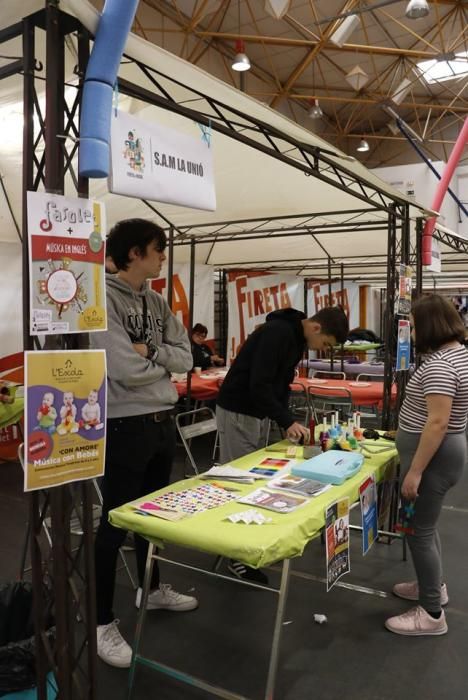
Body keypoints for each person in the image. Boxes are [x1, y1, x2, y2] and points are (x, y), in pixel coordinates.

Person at [90, 219, 196, 668]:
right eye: (157, 249)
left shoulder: (155, 300)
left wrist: (150, 352)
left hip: (160, 422)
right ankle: (101, 623)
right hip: (124, 424)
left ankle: (151, 590)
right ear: (135, 253)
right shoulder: (101, 300)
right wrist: (162, 367)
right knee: (114, 523)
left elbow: (187, 357)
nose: (163, 256)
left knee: (153, 518)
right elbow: (120, 370)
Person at [216, 306, 349, 582]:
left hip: (256, 412)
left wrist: (283, 421)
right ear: (315, 328)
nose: (321, 349)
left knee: (255, 478)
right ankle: (235, 555)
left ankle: (244, 545)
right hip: (240, 410)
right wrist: (286, 421)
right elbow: (260, 384)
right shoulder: (277, 333)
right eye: (324, 343)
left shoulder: (295, 340)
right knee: (240, 481)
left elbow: (281, 385)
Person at [385, 294, 468, 637]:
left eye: (415, 326)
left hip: (434, 458)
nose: (412, 332)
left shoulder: (439, 364)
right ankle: (432, 586)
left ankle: (432, 613)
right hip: (444, 453)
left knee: (419, 533)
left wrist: (415, 471)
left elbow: (437, 423)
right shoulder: (458, 355)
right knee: (427, 527)